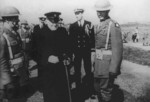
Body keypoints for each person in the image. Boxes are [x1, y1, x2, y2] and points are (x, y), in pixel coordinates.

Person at [93, 0, 123, 102]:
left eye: (102, 11)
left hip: (107, 65)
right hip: (98, 64)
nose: (99, 13)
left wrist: (114, 69)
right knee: (98, 89)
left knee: (105, 91)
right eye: (98, 11)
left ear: (108, 11)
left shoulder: (113, 25)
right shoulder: (98, 25)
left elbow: (117, 49)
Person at [39, 11, 70, 102]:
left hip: (61, 67)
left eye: (56, 21)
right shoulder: (40, 33)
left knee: (62, 93)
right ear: (47, 21)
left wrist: (68, 57)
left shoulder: (62, 31)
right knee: (50, 94)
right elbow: (33, 52)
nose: (54, 24)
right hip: (47, 69)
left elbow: (68, 47)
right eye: (52, 22)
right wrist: (46, 58)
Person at [0, 6, 29, 101]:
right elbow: (2, 60)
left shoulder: (14, 33)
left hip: (18, 73)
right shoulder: (2, 36)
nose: (18, 20)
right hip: (10, 77)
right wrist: (7, 81)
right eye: (15, 18)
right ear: (8, 20)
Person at [69, 8, 95, 100]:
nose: (76, 15)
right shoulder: (72, 26)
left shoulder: (89, 24)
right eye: (75, 14)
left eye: (78, 13)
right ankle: (78, 90)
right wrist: (71, 53)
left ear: (82, 13)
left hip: (86, 51)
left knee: (88, 71)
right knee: (77, 71)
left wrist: (92, 51)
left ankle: (90, 90)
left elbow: (92, 39)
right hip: (77, 52)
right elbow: (71, 40)